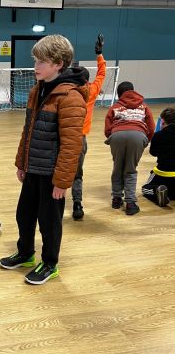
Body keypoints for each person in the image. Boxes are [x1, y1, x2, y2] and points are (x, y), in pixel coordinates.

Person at [0, 34, 88, 285]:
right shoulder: (37, 90)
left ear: (58, 64)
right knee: (24, 214)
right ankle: (26, 253)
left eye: (41, 61)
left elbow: (72, 144)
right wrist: (21, 163)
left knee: (49, 222)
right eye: (35, 60)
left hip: (52, 174)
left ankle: (50, 263)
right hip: (33, 167)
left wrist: (62, 181)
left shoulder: (70, 97)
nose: (35, 66)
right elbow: (28, 131)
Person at [104, 81, 155, 215]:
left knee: (117, 168)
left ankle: (116, 199)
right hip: (138, 136)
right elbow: (151, 127)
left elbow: (107, 128)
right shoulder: (144, 106)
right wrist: (145, 140)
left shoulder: (115, 107)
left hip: (117, 136)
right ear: (133, 91)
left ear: (119, 95)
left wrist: (112, 137)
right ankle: (131, 204)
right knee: (130, 170)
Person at [72, 34, 107, 220]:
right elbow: (102, 73)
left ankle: (51, 201)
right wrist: (99, 53)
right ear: (87, 80)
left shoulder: (65, 92)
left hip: (61, 137)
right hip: (80, 139)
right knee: (77, 174)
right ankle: (77, 204)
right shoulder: (92, 90)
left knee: (56, 171)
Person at [141, 107, 175, 206]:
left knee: (145, 188)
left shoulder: (158, 135)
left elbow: (153, 153)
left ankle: (157, 191)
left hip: (163, 174)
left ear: (163, 121)